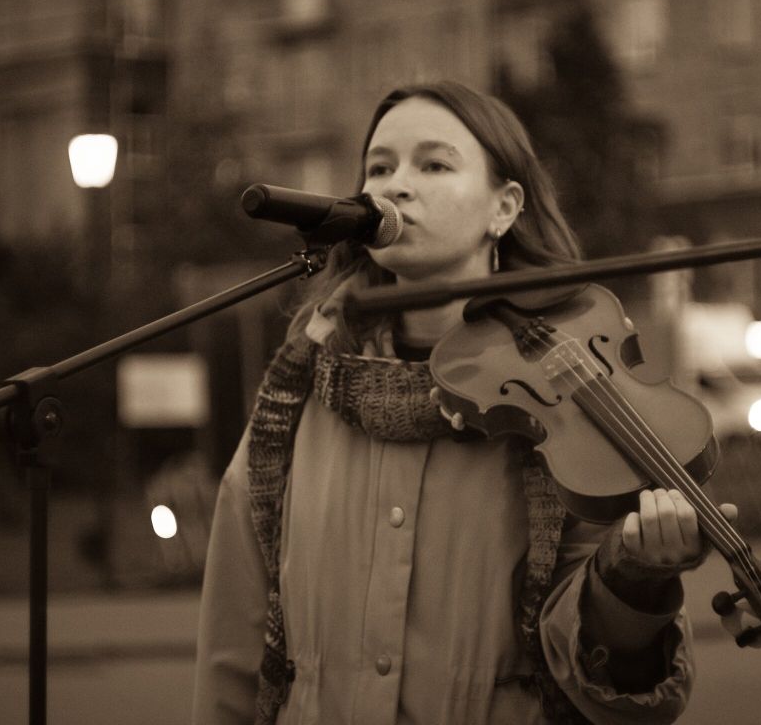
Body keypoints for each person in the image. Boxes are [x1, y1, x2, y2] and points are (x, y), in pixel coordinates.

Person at [192, 81, 733, 724]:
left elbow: (606, 683)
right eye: (379, 168)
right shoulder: (294, 397)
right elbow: (233, 656)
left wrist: (632, 582)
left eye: (434, 165)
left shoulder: (569, 402)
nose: (395, 186)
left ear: (503, 208)